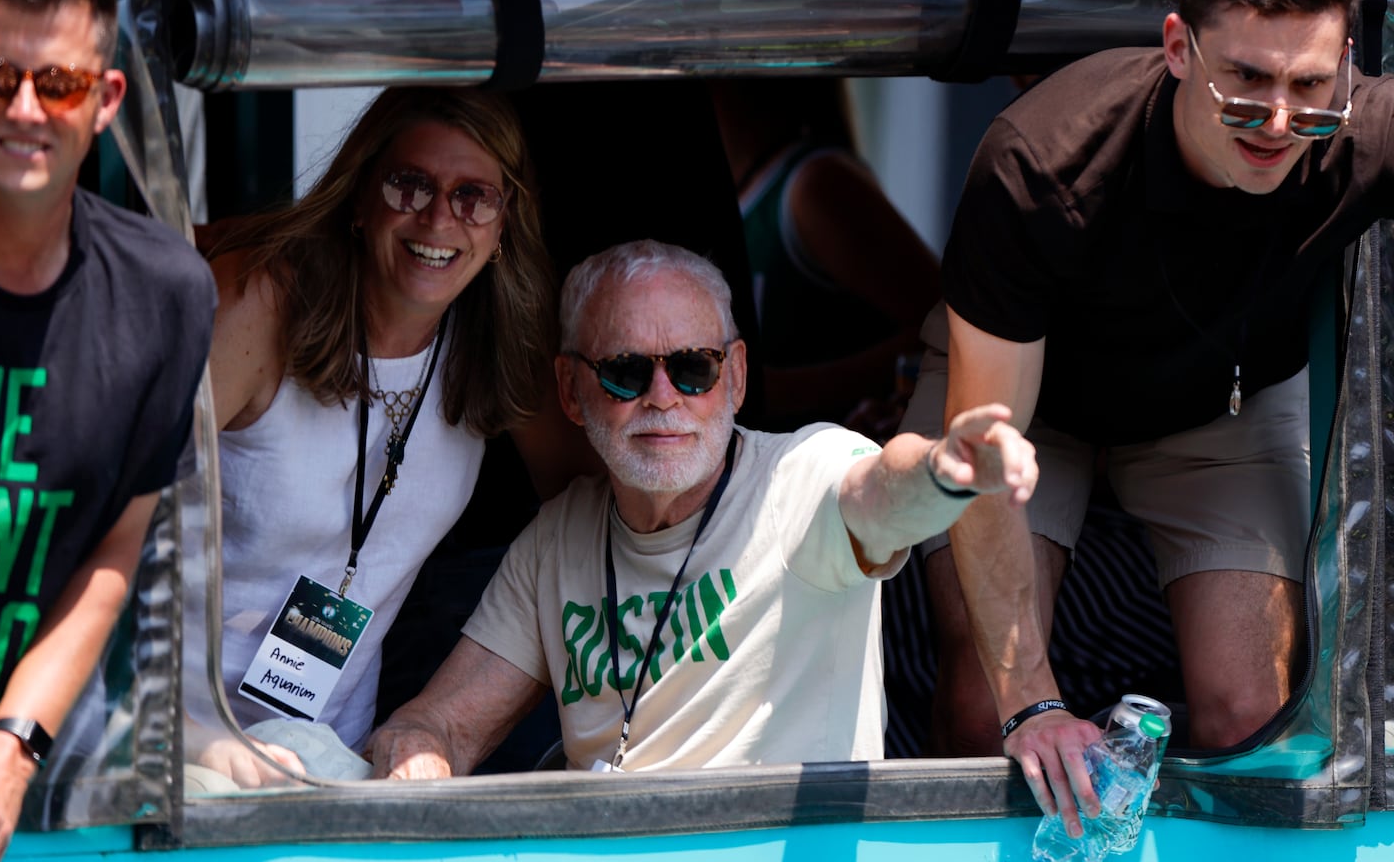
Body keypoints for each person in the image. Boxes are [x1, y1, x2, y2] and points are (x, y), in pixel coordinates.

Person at [907, 0, 1391, 839]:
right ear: (1178, 47)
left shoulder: (1358, 129)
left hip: (1223, 408)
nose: (1280, 123)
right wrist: (1030, 702)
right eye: (1246, 83)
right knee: (983, 716)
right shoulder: (1040, 159)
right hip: (1022, 413)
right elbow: (983, 443)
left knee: (1257, 712)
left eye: (1309, 86)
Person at [366, 239, 1036, 776]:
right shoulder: (559, 536)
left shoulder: (800, 477)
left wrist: (945, 469)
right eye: (625, 372)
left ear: (737, 376)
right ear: (570, 390)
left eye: (694, 368)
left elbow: (883, 493)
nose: (663, 396)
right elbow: (443, 722)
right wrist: (411, 755)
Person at [191, 87, 589, 787]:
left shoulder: (496, 343)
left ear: (503, 225)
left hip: (330, 754)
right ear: (358, 195)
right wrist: (175, 732)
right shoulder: (258, 299)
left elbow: (586, 515)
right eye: (410, 184)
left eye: (473, 195)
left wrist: (456, 709)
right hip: (183, 738)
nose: (439, 217)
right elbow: (120, 499)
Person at [0, 0, 216, 861]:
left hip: (21, 751)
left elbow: (115, 551)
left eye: (56, 84)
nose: (24, 107)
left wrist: (11, 748)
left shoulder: (167, 295)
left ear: (104, 100)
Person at [710, 78, 940, 437]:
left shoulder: (812, 186)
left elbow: (947, 325)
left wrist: (779, 390)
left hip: (845, 470)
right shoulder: (746, 192)